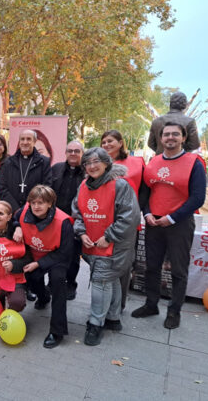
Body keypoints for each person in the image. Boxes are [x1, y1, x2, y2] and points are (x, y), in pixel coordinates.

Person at [132, 121, 206, 329]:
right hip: (154, 222)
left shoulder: (194, 163)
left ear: (183, 138)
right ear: (161, 138)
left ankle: (174, 311)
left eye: (175, 134)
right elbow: (146, 191)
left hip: (179, 223)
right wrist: (147, 213)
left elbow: (198, 198)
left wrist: (172, 218)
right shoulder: (154, 162)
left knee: (178, 270)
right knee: (151, 266)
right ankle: (151, 304)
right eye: (166, 134)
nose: (170, 137)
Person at [72, 148, 140, 346]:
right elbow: (77, 212)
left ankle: (96, 323)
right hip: (92, 243)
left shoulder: (120, 185)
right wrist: (81, 233)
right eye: (88, 163)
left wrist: (109, 237)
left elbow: (130, 217)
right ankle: (113, 317)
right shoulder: (83, 185)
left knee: (101, 281)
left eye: (96, 161)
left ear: (106, 163)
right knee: (111, 279)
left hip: (113, 246)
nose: (92, 166)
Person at [13, 185, 74, 349]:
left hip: (57, 257)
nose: (36, 206)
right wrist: (17, 226)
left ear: (50, 203)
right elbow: (14, 218)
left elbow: (65, 253)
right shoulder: (24, 212)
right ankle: (43, 297)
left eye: (41, 203)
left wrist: (39, 264)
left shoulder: (64, 222)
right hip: (34, 254)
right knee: (32, 277)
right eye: (33, 202)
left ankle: (57, 331)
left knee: (58, 283)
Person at [101, 130, 149, 310]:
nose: (106, 144)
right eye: (103, 142)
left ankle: (118, 306)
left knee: (124, 266)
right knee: (103, 264)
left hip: (127, 222)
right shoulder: (98, 163)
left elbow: (145, 190)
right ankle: (102, 303)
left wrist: (137, 210)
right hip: (103, 221)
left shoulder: (137, 162)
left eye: (110, 141)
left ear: (121, 143)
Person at [51, 140, 85, 300]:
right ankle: (53, 283)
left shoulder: (87, 172)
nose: (73, 154)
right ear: (65, 153)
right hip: (56, 220)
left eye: (77, 151)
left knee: (73, 256)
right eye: (70, 151)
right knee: (54, 253)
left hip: (76, 221)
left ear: (82, 154)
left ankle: (71, 284)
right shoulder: (56, 168)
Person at [0, 129, 52, 214]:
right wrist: (15, 209)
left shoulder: (43, 162)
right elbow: (2, 187)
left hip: (34, 211)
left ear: (34, 142)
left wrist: (31, 207)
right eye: (22, 139)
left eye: (29, 139)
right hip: (11, 211)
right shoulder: (8, 162)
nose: (25, 142)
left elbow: (46, 186)